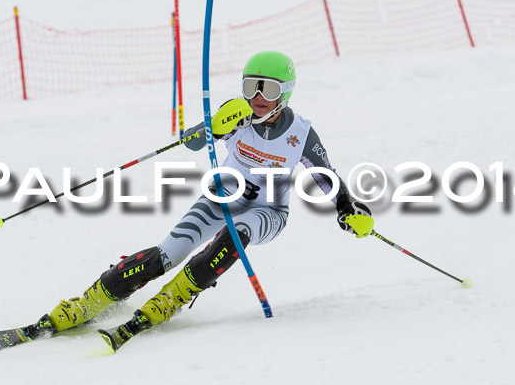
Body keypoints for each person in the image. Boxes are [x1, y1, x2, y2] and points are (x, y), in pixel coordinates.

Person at [37, 51, 373, 346]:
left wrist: (346, 208)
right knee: (168, 253)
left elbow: (324, 174)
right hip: (221, 198)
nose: (257, 96)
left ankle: (173, 298)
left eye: (267, 88)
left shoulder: (300, 132)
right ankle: (90, 302)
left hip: (268, 211)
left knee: (236, 234)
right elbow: (192, 143)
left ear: (285, 92)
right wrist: (215, 126)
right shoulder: (237, 113)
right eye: (250, 86)